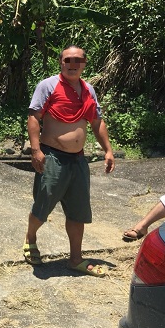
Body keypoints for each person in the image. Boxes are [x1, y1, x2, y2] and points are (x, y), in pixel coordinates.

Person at [23, 45, 115, 277]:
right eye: (68, 60)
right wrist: (35, 150)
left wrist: (108, 150)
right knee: (42, 205)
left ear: (84, 63)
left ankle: (75, 259)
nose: (72, 64)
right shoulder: (48, 86)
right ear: (60, 62)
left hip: (78, 160)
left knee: (78, 212)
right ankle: (30, 237)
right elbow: (34, 117)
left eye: (78, 60)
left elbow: (96, 122)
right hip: (53, 156)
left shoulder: (88, 90)